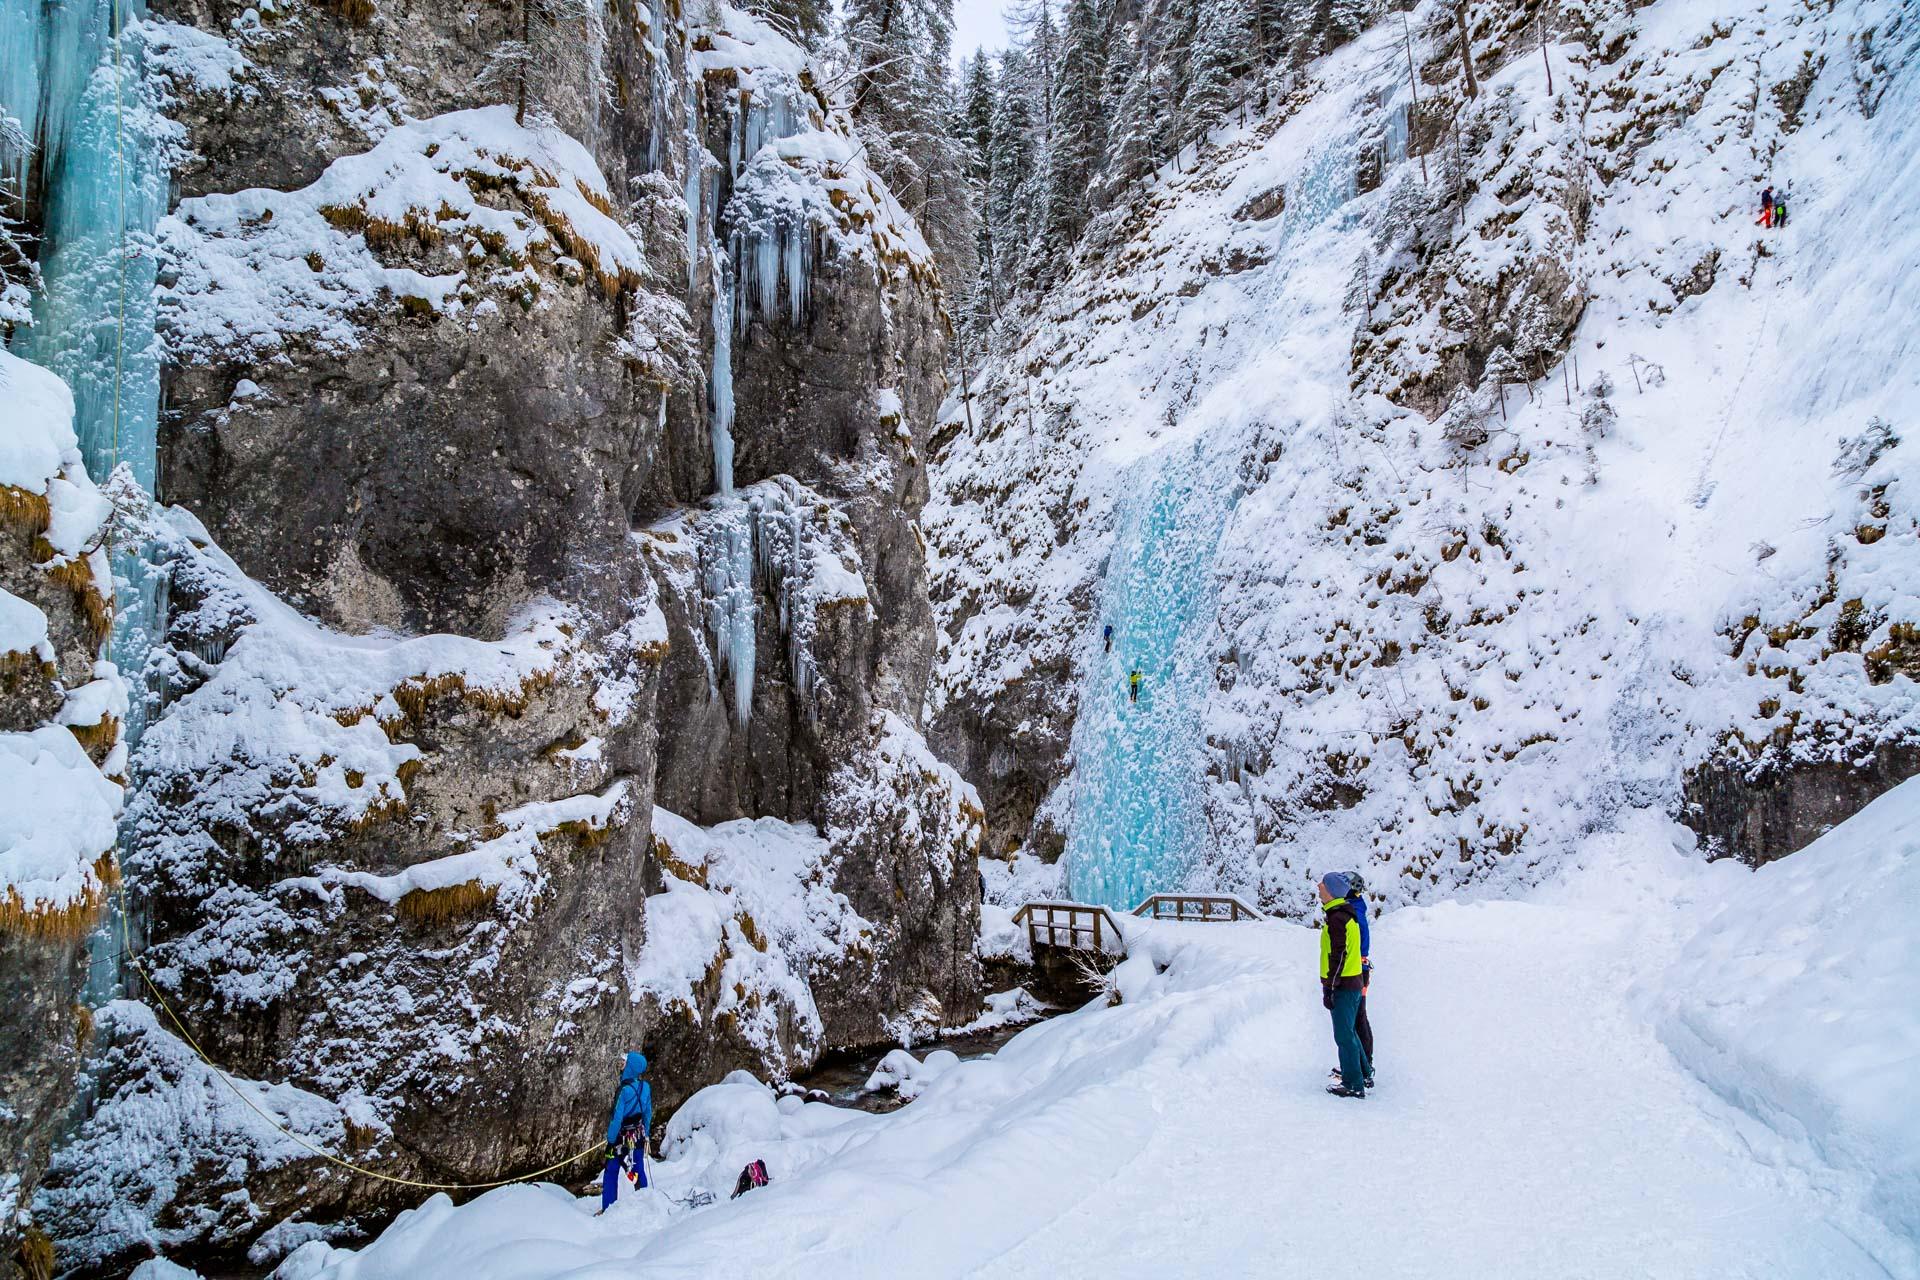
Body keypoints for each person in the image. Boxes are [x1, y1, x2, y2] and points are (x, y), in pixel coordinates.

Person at [1318, 872, 1369, 1098]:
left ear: (1331, 891)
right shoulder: (1347, 914)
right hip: (1353, 981)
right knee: (1350, 1031)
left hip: (1344, 985)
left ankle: (1353, 1084)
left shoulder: (1338, 918)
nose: (1319, 887)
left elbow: (1338, 956)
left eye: (1323, 884)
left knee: (1343, 1035)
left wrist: (1330, 987)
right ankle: (1364, 1071)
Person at [600, 1051, 653, 1212]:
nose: (621, 1067)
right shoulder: (645, 1087)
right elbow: (648, 1113)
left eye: (624, 1064)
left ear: (630, 1067)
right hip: (638, 1134)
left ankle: (608, 1208)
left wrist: (610, 1141)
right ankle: (645, 1203)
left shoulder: (624, 1091)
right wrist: (647, 1134)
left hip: (620, 1138)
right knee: (638, 1168)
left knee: (611, 1170)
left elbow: (617, 1118)